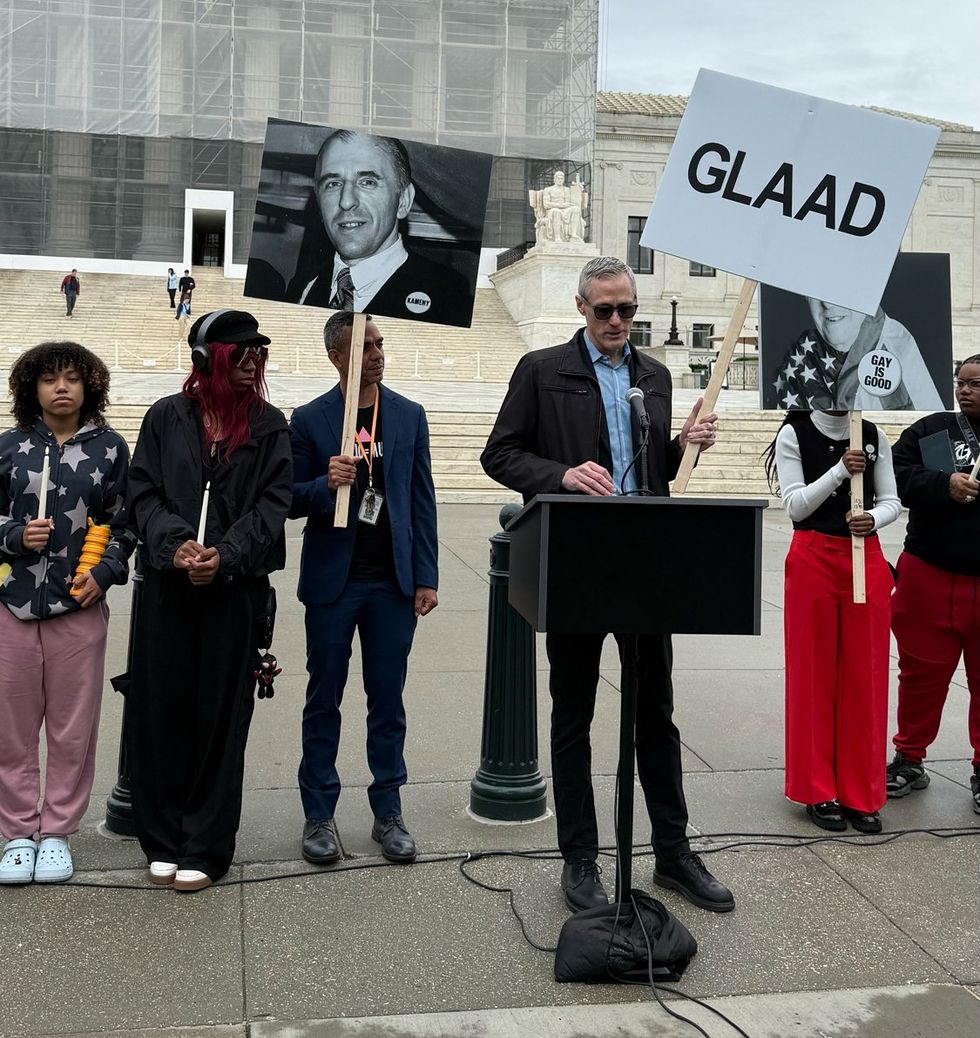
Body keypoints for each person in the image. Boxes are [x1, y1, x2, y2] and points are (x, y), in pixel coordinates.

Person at [480, 255, 731, 914]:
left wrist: (684, 444)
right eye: (605, 310)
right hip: (577, 560)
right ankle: (581, 859)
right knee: (574, 715)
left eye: (627, 309)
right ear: (581, 309)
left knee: (656, 714)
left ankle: (673, 853)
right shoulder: (542, 371)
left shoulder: (655, 374)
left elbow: (656, 471)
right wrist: (561, 475)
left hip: (645, 561)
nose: (617, 321)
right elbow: (499, 453)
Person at [126, 310, 292, 892]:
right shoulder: (166, 418)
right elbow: (141, 491)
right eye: (238, 353)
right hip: (169, 590)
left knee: (221, 717)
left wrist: (225, 556)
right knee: (161, 710)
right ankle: (162, 835)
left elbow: (273, 505)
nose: (251, 362)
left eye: (257, 353)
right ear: (207, 359)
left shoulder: (271, 427)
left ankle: (206, 842)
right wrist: (174, 547)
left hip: (234, 594)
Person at [290, 311, 438, 866]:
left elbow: (421, 501)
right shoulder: (308, 420)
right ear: (336, 357)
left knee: (387, 700)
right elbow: (287, 497)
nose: (376, 353)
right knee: (323, 698)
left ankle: (388, 812)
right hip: (334, 583)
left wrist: (426, 577)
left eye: (379, 343)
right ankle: (319, 814)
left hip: (392, 585)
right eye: (364, 347)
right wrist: (323, 485)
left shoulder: (408, 415)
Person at [0, 342, 133, 885]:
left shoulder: (109, 449)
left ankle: (56, 832)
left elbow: (127, 524)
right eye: (50, 379)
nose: (62, 388)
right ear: (31, 387)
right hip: (11, 604)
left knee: (72, 730)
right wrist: (12, 535)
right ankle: (16, 834)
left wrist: (105, 574)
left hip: (78, 607)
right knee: (11, 728)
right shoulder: (9, 447)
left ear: (88, 388)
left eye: (73, 379)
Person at [764, 410, 900, 833]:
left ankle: (863, 792)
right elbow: (796, 505)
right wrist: (840, 470)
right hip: (814, 556)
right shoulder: (795, 432)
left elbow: (892, 501)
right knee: (813, 676)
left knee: (867, 677)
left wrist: (873, 519)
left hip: (866, 557)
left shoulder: (873, 433)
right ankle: (817, 788)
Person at [885, 355, 980, 814]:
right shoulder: (931, 430)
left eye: (975, 384)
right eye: (960, 382)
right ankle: (909, 758)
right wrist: (944, 484)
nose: (964, 390)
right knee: (920, 675)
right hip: (929, 573)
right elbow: (896, 478)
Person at [289, 129, 471, 325]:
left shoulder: (449, 299)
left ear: (403, 200)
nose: (346, 201)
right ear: (318, 203)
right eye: (333, 184)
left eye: (367, 182)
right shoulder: (302, 287)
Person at [771, 297, 942, 411]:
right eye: (816, 290)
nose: (828, 304)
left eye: (841, 288)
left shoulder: (893, 346)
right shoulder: (800, 355)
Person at [539, 170, 586, 243]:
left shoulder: (567, 190)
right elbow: (546, 204)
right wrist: (560, 205)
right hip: (552, 210)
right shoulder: (548, 190)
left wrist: (579, 190)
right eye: (558, 178)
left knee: (576, 209)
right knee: (556, 211)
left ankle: (573, 235)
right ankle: (557, 237)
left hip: (565, 209)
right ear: (554, 179)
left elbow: (575, 200)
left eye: (562, 178)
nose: (560, 180)